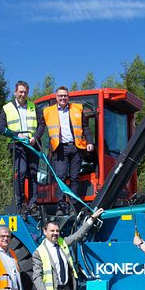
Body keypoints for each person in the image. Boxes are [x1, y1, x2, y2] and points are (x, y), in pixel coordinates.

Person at [42, 86, 94, 215]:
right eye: (60, 96)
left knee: (75, 178)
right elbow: (41, 127)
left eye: (65, 96)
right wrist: (33, 138)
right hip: (60, 148)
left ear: (68, 97)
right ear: (56, 97)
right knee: (61, 177)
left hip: (76, 147)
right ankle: (61, 206)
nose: (63, 98)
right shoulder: (48, 111)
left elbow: (85, 127)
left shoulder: (77, 109)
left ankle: (73, 206)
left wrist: (90, 142)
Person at [0, 80, 45, 215]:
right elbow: (1, 128)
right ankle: (19, 205)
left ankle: (32, 204)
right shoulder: (7, 108)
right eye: (20, 92)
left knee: (33, 173)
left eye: (25, 92)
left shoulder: (33, 107)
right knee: (21, 172)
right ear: (15, 92)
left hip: (32, 145)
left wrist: (35, 137)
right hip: (16, 145)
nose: (23, 95)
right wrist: (16, 135)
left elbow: (42, 125)